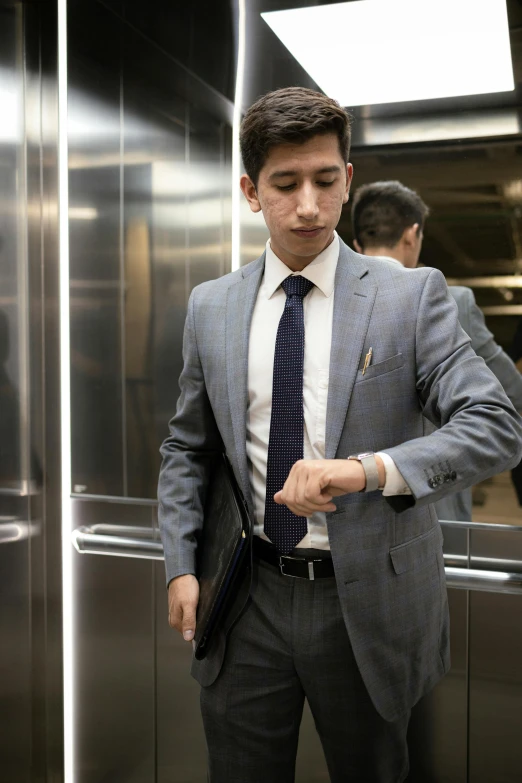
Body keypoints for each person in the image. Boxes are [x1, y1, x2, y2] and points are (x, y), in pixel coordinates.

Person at [158, 87, 522, 783]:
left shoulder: (410, 297)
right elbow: (187, 448)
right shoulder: (212, 308)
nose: (307, 205)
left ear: (347, 180)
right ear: (250, 190)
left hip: (368, 608)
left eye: (326, 181)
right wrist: (179, 560)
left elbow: (497, 425)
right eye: (284, 184)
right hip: (247, 600)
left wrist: (369, 468)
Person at [351, 179, 522, 521]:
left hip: (345, 514)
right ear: (412, 234)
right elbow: (510, 396)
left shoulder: (327, 307)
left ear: (356, 243)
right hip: (431, 509)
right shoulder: (453, 303)